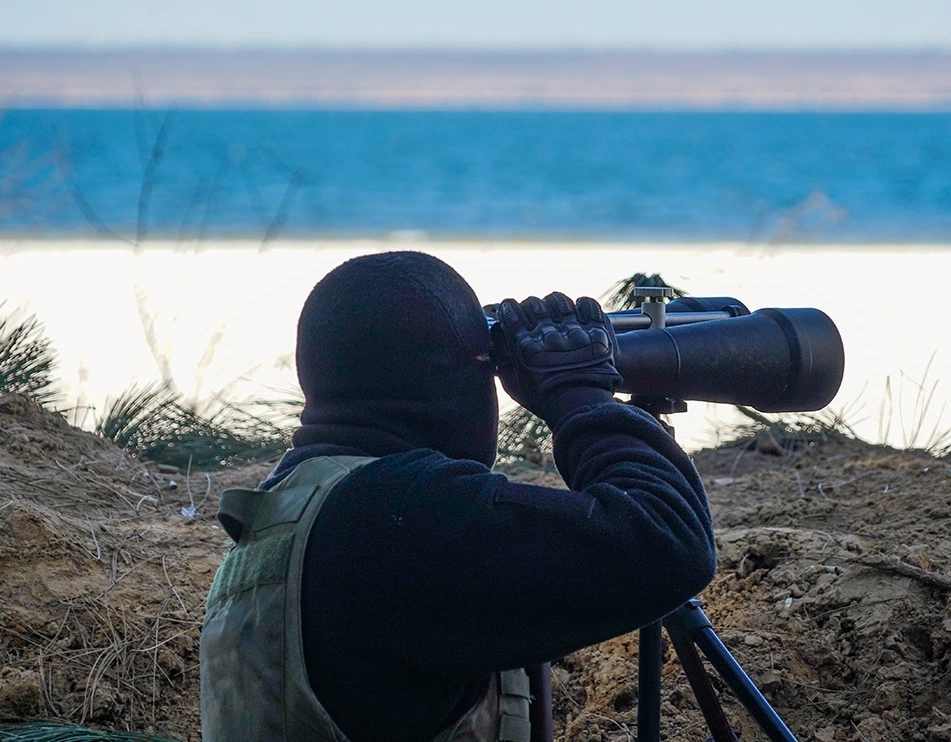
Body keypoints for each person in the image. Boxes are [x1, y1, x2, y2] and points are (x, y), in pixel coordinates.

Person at [199, 251, 716, 742]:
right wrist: (577, 392)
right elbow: (667, 539)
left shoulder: (285, 518)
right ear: (454, 375)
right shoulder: (401, 513)